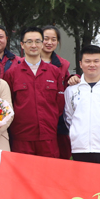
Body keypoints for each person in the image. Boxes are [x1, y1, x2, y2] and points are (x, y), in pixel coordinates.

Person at [1, 27, 65, 158]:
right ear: (22, 45)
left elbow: (59, 104)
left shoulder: (54, 72)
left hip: (48, 136)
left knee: (49, 170)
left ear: (42, 44)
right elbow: (8, 104)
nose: (34, 45)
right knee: (22, 170)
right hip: (21, 137)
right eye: (29, 42)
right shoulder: (12, 73)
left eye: (37, 41)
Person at [40, 25, 73, 160]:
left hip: (57, 118)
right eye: (46, 39)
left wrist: (73, 78)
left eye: (53, 39)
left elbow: (67, 82)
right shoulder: (28, 62)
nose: (49, 42)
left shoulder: (63, 64)